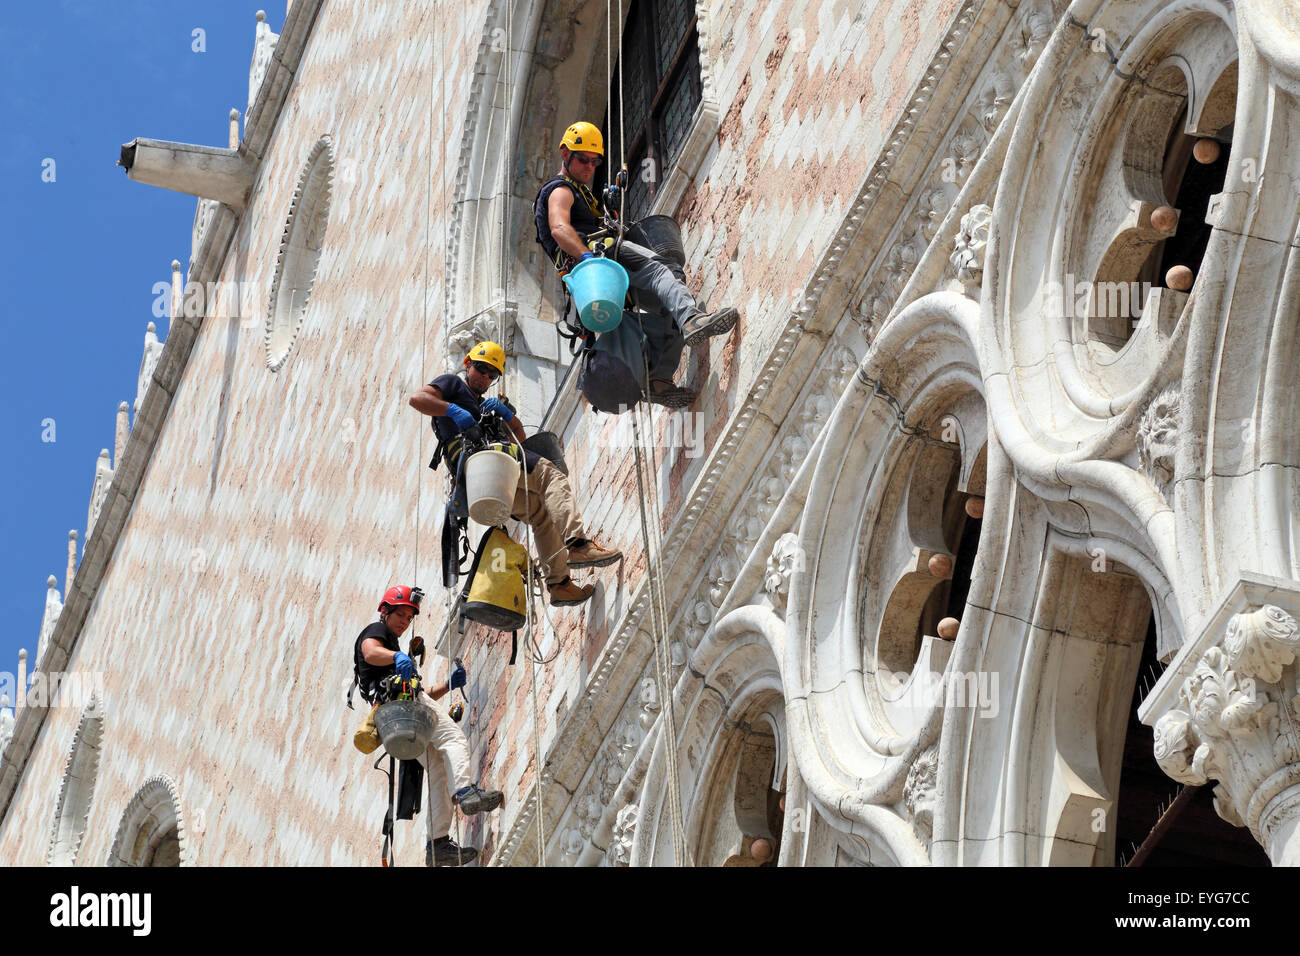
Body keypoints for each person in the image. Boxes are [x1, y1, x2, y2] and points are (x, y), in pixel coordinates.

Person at [533, 120, 739, 408]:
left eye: (595, 162)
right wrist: (588, 257)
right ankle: (692, 320)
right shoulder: (561, 189)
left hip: (594, 277)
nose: (589, 167)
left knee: (667, 303)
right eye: (583, 159)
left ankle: (658, 379)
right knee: (661, 271)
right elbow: (559, 229)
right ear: (565, 154)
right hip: (601, 257)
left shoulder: (582, 192)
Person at [408, 341, 621, 607]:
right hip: (482, 462)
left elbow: (520, 440)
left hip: (491, 478)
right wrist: (453, 409)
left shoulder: (486, 407)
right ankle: (578, 545)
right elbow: (417, 399)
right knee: (550, 475)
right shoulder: (452, 384)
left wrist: (507, 416)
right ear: (468, 364)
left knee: (540, 513)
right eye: (482, 369)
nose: (485, 377)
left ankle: (559, 584)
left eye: (492, 375)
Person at [353, 584, 502, 866]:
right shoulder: (377, 632)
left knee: (435, 768)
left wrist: (447, 685)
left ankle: (437, 843)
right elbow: (370, 651)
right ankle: (466, 792)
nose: (404, 622)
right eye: (400, 615)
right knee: (453, 739)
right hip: (404, 708)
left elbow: (420, 693)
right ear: (385, 611)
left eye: (409, 618)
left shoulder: (393, 651)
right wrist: (396, 656)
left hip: (397, 715)